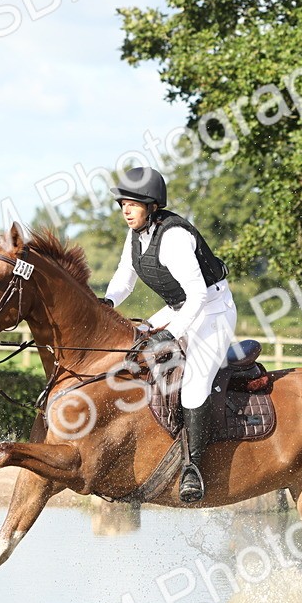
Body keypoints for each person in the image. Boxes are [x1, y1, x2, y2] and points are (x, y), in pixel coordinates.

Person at [102, 166, 237, 503]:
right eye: (123, 205)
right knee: (133, 350)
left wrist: (171, 334)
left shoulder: (174, 237)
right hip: (180, 308)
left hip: (213, 311)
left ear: (151, 205)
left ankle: (193, 468)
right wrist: (107, 303)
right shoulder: (136, 235)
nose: (126, 211)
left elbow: (199, 295)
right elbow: (124, 278)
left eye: (133, 205)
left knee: (193, 385)